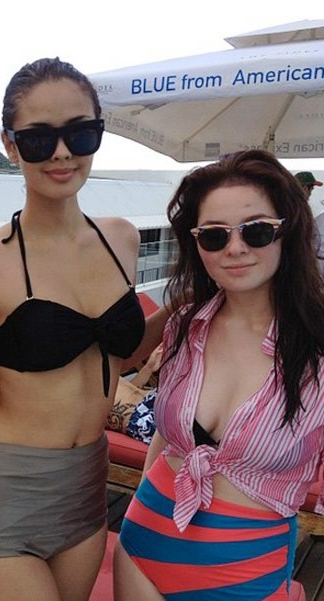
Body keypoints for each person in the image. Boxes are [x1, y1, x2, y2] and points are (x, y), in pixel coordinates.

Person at [0, 57, 166, 601]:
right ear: (10, 146)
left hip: (88, 484)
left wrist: (177, 310)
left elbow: (118, 354)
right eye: (39, 139)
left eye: (80, 134)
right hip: (2, 488)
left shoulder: (122, 239)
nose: (61, 153)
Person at [114, 150, 324, 600]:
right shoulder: (184, 324)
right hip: (140, 552)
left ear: (287, 231)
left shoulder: (317, 348)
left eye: (256, 230)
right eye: (213, 235)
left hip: (245, 573)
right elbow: (168, 439)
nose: (235, 247)